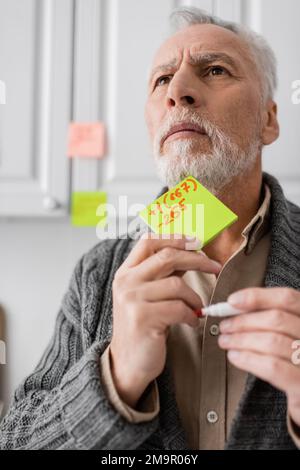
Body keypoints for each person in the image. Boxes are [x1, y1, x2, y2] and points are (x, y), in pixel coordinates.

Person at [1, 6, 300, 450]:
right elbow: (16, 441)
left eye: (215, 70)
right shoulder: (98, 273)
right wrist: (115, 378)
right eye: (161, 80)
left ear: (268, 120)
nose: (177, 91)